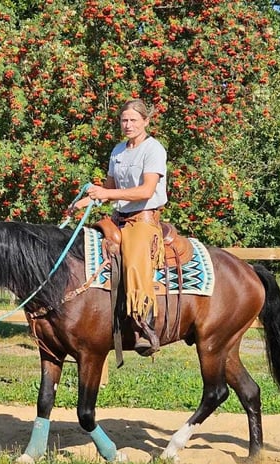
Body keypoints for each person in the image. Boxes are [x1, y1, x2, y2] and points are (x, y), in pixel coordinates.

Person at [74, 98, 167, 356]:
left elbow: (147, 190)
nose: (128, 125)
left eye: (133, 120)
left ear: (146, 121)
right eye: (124, 120)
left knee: (135, 261)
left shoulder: (153, 150)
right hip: (119, 217)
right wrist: (84, 200)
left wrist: (107, 194)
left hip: (143, 219)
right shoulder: (118, 151)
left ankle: (144, 324)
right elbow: (110, 188)